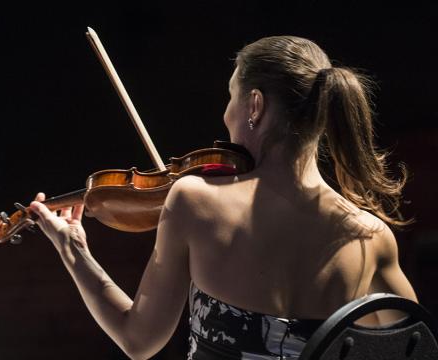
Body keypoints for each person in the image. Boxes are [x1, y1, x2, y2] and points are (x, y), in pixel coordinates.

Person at [28, 35, 417, 359]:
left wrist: (73, 249)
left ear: (254, 106)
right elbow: (414, 345)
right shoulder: (368, 235)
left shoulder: (196, 201)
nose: (226, 115)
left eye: (231, 97)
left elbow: (139, 340)